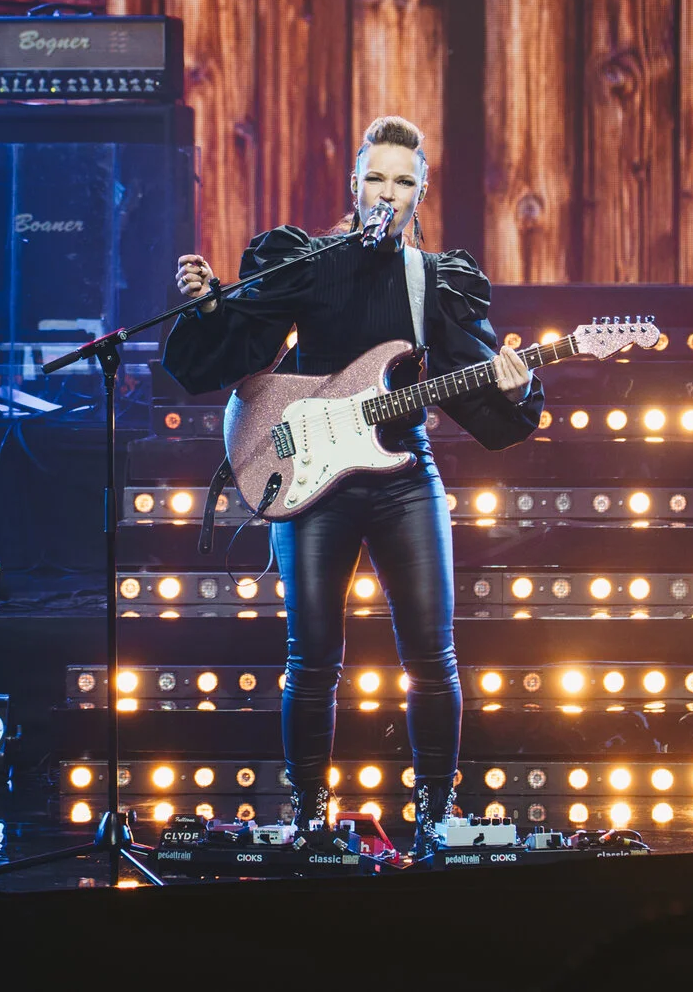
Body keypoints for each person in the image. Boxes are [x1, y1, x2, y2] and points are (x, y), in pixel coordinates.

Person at [164, 115, 541, 850]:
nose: (387, 193)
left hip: (405, 475)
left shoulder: (433, 279)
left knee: (433, 658)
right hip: (315, 477)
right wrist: (213, 303)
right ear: (355, 183)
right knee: (311, 660)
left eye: (404, 181)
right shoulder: (310, 263)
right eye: (376, 177)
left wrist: (515, 386)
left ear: (420, 193)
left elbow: (475, 395)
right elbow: (244, 344)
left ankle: (436, 812)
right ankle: (309, 813)